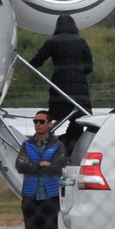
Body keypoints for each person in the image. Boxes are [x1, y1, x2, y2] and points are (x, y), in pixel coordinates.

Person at [29, 14, 93, 155]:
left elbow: (36, 62)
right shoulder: (81, 41)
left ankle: (56, 143)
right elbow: (89, 66)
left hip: (59, 86)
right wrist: (77, 71)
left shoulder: (52, 42)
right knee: (79, 117)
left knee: (61, 115)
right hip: (79, 87)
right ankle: (72, 145)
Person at [15, 110, 65, 229]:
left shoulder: (58, 145)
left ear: (50, 124)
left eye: (42, 121)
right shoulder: (26, 144)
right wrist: (40, 164)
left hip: (51, 197)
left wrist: (31, 166)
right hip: (30, 197)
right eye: (35, 121)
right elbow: (20, 166)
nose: (38, 124)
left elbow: (57, 168)